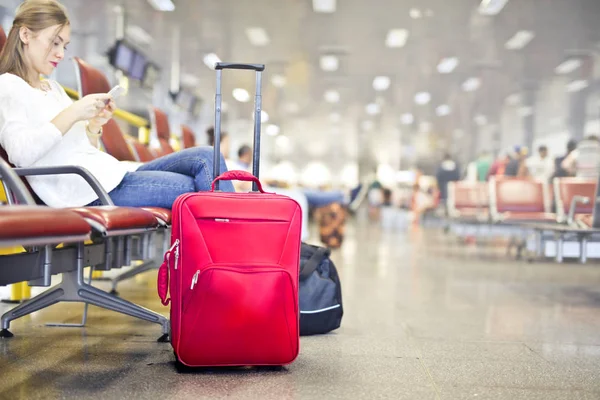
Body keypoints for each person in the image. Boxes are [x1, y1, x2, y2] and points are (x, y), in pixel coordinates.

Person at [0, 0, 233, 210]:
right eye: (54, 43)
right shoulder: (8, 86)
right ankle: (236, 249)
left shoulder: (53, 89)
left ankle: (233, 248)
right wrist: (73, 112)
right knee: (195, 189)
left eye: (64, 46)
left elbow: (82, 149)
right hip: (84, 189)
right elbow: (21, 154)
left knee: (207, 157)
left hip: (109, 174)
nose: (60, 53)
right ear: (25, 35)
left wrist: (93, 125)